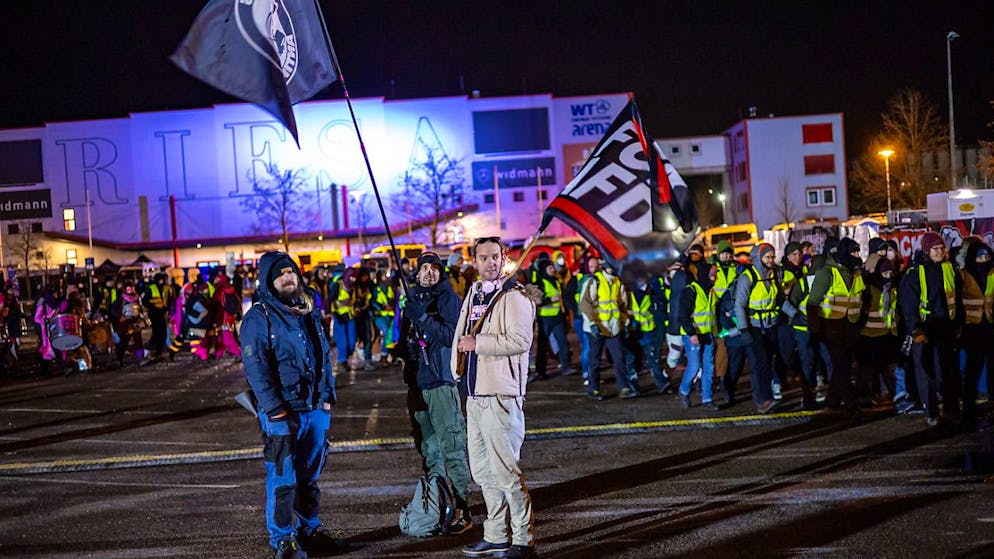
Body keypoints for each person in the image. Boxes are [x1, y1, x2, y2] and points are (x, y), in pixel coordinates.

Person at [241, 252, 343, 559]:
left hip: (314, 407)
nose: (288, 277)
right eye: (280, 274)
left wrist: (327, 398)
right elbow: (256, 367)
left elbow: (324, 356)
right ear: (269, 281)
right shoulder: (259, 317)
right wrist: (274, 408)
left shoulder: (307, 310)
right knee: (283, 477)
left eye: (291, 272)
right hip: (282, 412)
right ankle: (283, 540)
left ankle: (309, 529)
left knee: (309, 475)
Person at [452, 236, 539, 559]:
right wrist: (456, 370)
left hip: (500, 395)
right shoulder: (474, 292)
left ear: (504, 259)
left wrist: (480, 343)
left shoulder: (514, 297)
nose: (490, 263)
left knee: (506, 472)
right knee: (484, 472)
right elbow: (461, 335)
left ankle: (522, 538)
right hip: (474, 395)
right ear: (474, 261)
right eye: (483, 257)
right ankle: (496, 534)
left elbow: (520, 340)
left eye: (495, 257)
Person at [402, 251, 473, 534]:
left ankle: (461, 506)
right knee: (429, 448)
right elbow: (407, 335)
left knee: (451, 444)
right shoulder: (413, 299)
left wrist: (422, 318)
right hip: (416, 384)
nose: (429, 272)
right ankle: (438, 503)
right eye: (424, 268)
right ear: (417, 273)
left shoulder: (448, 298)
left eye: (434, 268)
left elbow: (450, 336)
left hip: (440, 382)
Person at [899, 232, 963, 426]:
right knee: (925, 371)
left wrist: (958, 323)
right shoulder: (915, 271)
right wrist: (915, 329)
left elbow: (957, 299)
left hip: (945, 326)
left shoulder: (950, 268)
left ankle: (951, 409)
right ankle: (932, 412)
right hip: (924, 327)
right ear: (927, 251)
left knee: (948, 369)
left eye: (942, 248)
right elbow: (908, 303)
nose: (940, 251)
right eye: (936, 248)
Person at [807, 237, 865, 416]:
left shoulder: (855, 273)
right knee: (841, 366)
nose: (857, 255)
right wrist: (815, 330)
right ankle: (851, 405)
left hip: (850, 327)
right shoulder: (826, 273)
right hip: (831, 327)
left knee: (844, 364)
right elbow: (812, 303)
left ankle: (832, 399)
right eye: (854, 252)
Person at [726, 243, 780, 413]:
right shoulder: (747, 277)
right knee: (759, 363)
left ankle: (765, 398)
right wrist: (744, 329)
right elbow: (740, 305)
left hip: (770, 325)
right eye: (767, 257)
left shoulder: (772, 275)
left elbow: (779, 299)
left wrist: (794, 314)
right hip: (753, 327)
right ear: (759, 258)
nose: (771, 260)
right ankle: (763, 400)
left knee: (768, 362)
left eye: (772, 257)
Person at [579, 258, 637, 400]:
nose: (611, 268)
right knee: (595, 360)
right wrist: (592, 324)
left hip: (613, 328)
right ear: (604, 266)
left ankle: (623, 387)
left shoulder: (618, 282)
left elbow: (621, 305)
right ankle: (593, 390)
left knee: (619, 358)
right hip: (598, 328)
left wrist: (626, 321)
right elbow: (584, 304)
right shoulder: (595, 281)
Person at [958, 241, 994, 425]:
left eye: (987, 257)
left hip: (990, 327)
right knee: (973, 369)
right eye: (980, 257)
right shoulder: (963, 276)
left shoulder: (993, 274)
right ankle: (969, 409)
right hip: (972, 330)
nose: (984, 260)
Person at [677, 265, 718, 410]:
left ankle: (707, 399)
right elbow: (683, 315)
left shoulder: (711, 291)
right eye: (713, 275)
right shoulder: (691, 291)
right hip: (693, 335)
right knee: (694, 366)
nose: (715, 277)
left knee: (709, 368)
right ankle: (684, 391)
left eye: (716, 274)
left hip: (707, 334)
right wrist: (691, 333)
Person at [533, 254, 573, 380]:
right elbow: (537, 300)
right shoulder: (539, 283)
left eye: (552, 268)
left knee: (563, 342)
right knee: (543, 345)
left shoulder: (557, 281)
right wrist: (550, 299)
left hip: (557, 317)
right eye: (550, 268)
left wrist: (565, 312)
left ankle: (566, 366)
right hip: (544, 318)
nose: (552, 270)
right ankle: (541, 370)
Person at [141, 272, 172, 360]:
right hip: (153, 314)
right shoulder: (151, 288)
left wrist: (166, 309)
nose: (166, 281)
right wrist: (153, 308)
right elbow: (145, 301)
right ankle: (148, 350)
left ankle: (158, 352)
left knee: (163, 334)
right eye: (165, 279)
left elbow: (168, 300)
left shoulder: (166, 288)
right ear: (160, 280)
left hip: (162, 314)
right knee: (157, 334)